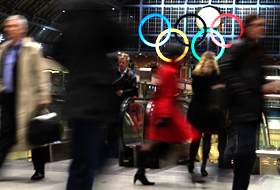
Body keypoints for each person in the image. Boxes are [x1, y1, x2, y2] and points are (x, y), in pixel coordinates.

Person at [52, 0, 129, 189]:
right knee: (86, 160)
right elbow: (120, 36)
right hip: (91, 98)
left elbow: (57, 50)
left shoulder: (71, 17)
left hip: (78, 96)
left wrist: (77, 70)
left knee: (86, 156)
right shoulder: (95, 13)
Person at [133, 43, 200, 186]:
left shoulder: (166, 69)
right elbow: (167, 95)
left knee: (161, 143)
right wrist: (164, 116)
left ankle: (141, 171)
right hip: (166, 112)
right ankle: (193, 174)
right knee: (183, 139)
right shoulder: (170, 71)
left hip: (164, 111)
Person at [219, 13, 268, 190]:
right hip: (242, 109)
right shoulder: (239, 46)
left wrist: (268, 85)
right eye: (256, 25)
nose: (260, 28)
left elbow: (257, 80)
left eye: (262, 25)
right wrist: (242, 90)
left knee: (249, 154)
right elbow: (225, 67)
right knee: (246, 151)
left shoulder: (258, 50)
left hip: (253, 110)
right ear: (247, 27)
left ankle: (240, 187)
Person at [0, 15, 50, 180]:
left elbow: (41, 75)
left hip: (29, 100)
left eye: (13, 26)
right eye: (7, 26)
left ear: (22, 29)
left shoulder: (32, 48)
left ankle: (39, 170)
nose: (8, 29)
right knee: (5, 133)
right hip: (8, 99)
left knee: (35, 135)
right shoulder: (4, 48)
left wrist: (43, 97)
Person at [187, 51, 225, 176]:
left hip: (197, 109)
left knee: (195, 138)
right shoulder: (216, 74)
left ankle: (191, 163)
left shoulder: (196, 74)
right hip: (210, 110)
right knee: (207, 138)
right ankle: (203, 167)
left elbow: (194, 89)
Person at [107, 53, 138, 158]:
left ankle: (122, 151)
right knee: (111, 129)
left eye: (123, 62)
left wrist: (123, 92)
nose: (120, 64)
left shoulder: (131, 76)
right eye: (119, 62)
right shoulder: (113, 74)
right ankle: (111, 151)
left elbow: (134, 91)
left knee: (121, 130)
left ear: (127, 63)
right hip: (112, 106)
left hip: (124, 108)